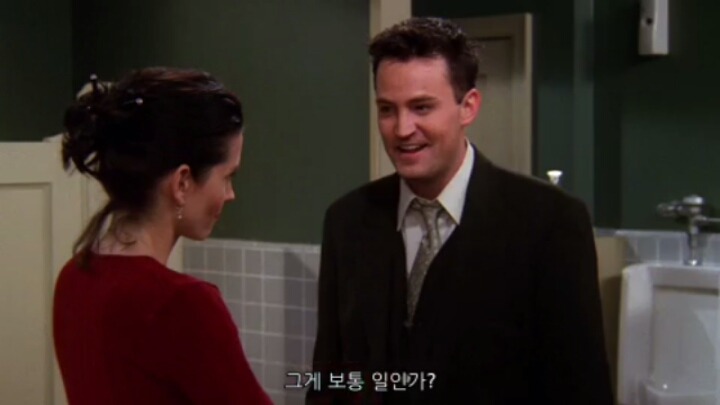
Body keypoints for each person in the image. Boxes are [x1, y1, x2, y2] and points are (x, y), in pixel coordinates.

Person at [308, 17, 613, 404]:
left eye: (421, 107)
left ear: (468, 107)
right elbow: (330, 378)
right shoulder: (347, 221)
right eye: (387, 109)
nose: (402, 129)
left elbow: (581, 389)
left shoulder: (550, 222)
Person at [53, 67, 272, 405]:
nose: (230, 194)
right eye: (228, 176)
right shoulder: (183, 305)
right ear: (182, 182)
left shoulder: (73, 279)